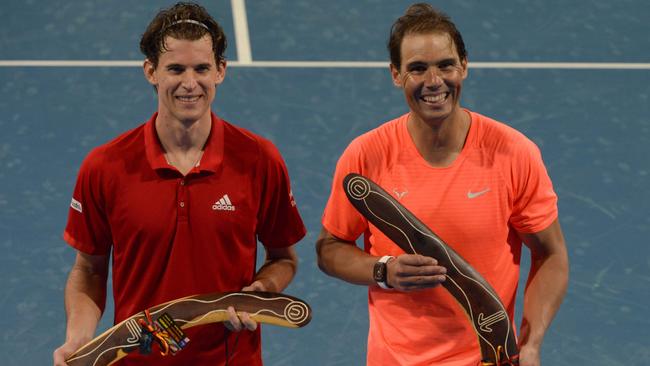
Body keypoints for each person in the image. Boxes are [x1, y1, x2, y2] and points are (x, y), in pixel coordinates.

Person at [52, 2, 306, 365]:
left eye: (201, 68)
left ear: (220, 71)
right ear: (151, 72)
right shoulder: (105, 166)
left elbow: (284, 258)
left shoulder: (259, 160)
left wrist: (260, 292)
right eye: (175, 69)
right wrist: (80, 340)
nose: (190, 83)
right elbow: (89, 269)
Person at [316, 3, 569, 366]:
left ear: (463, 65)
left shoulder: (515, 154)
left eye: (445, 65)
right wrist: (383, 270)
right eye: (417, 68)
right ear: (395, 75)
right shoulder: (366, 155)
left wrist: (530, 342)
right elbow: (330, 248)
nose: (434, 81)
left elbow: (551, 254)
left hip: (487, 358)